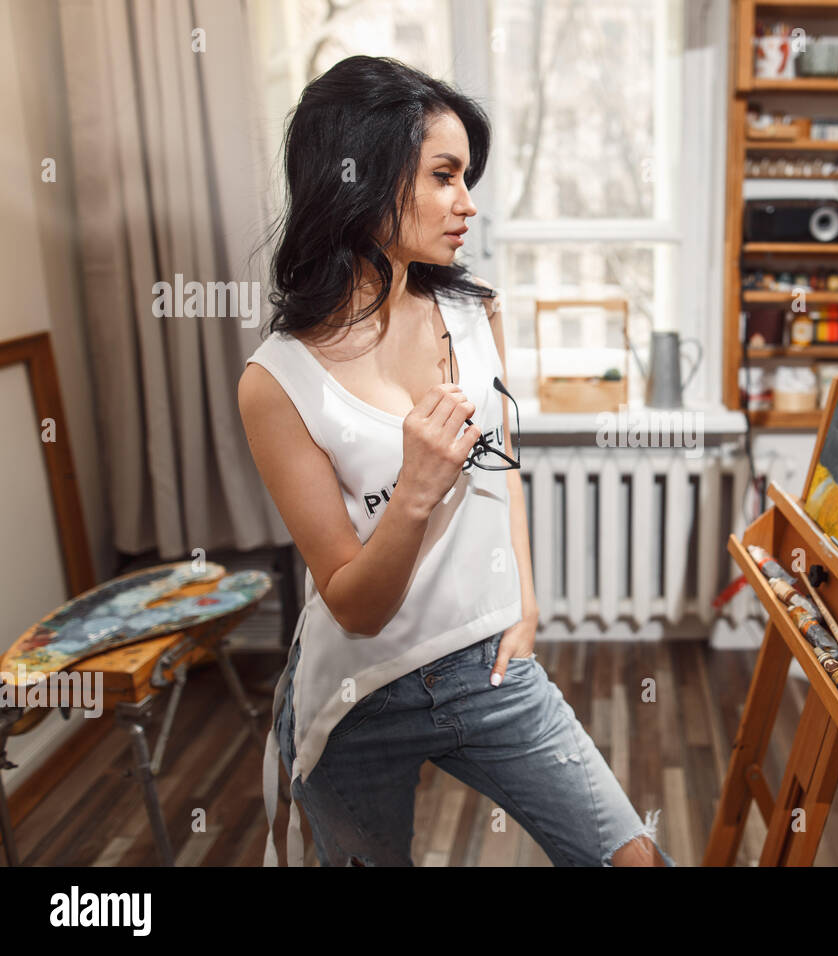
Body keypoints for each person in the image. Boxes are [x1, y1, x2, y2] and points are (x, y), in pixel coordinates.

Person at [238, 55, 672, 867]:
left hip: (487, 662)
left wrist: (527, 599)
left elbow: (502, 465)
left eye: (466, 176)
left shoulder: (473, 313)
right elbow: (355, 605)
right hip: (358, 692)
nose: (467, 204)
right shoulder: (277, 381)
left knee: (631, 857)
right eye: (444, 176)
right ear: (359, 177)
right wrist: (415, 493)